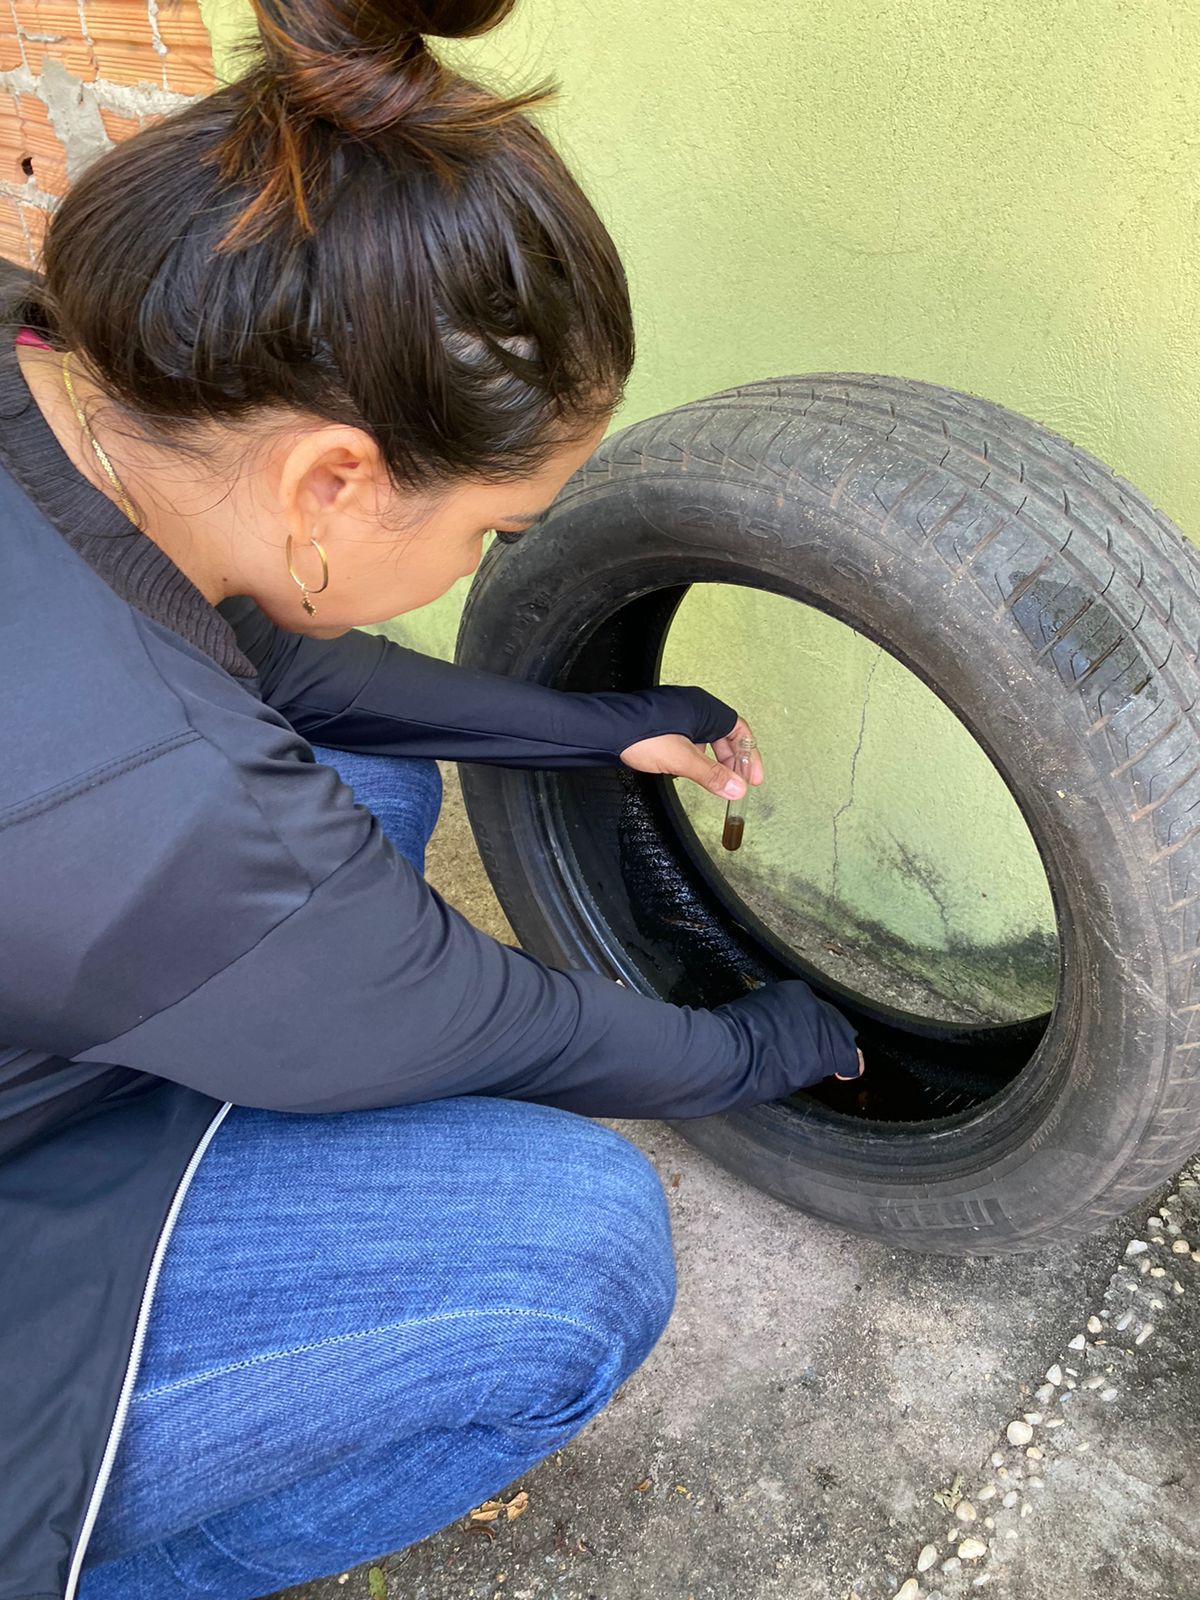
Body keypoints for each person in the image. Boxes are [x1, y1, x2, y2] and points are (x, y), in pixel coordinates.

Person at [0, 3, 863, 1596]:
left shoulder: (42, 366)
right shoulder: (157, 797)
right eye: (497, 532)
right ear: (329, 479)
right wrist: (766, 1045)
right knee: (574, 1251)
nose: (488, 565)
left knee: (375, 787)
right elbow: (482, 1021)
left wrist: (598, 729)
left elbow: (255, 654)